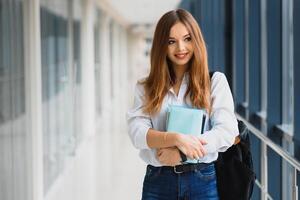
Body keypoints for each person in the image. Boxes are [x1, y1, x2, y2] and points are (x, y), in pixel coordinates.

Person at [127, 9, 239, 200]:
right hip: (159, 181)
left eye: (187, 38)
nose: (181, 47)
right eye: (171, 41)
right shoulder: (145, 87)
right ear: (162, 45)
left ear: (196, 40)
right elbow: (137, 133)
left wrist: (182, 154)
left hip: (202, 180)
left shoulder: (214, 81)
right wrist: (176, 138)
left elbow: (227, 131)